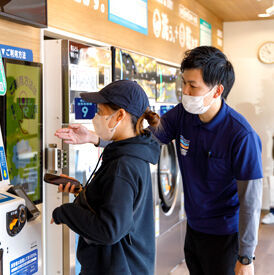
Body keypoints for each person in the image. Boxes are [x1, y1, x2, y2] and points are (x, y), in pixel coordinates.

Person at [55, 46, 263, 275]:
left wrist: (245, 256)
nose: (184, 91)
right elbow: (141, 141)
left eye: (192, 86)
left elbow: (250, 201)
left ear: (217, 91)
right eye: (183, 83)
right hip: (194, 230)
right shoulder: (182, 116)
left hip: (226, 236)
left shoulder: (241, 136)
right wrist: (95, 138)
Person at [51, 80, 161, 275]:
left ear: (119, 115)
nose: (95, 117)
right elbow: (116, 204)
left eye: (100, 111)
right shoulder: (134, 154)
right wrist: (81, 192)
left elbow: (109, 230)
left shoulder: (123, 166)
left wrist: (64, 213)